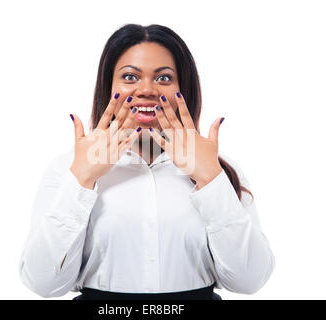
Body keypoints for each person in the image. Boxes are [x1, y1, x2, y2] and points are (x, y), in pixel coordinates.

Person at [18, 24, 275, 300]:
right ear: (109, 86)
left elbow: (250, 280)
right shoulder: (67, 169)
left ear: (183, 88)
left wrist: (211, 179)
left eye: (164, 78)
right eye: (130, 76)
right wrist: (82, 178)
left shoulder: (216, 168)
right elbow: (43, 283)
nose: (146, 90)